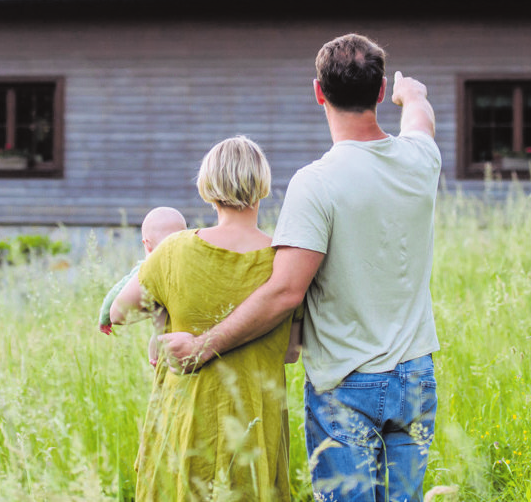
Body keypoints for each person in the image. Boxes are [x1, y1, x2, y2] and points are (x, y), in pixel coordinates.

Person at [161, 33, 442, 502]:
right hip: (416, 374)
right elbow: (421, 122)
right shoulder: (420, 158)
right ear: (378, 93)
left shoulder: (317, 183)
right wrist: (413, 94)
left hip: (346, 382)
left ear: (318, 92)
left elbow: (285, 292)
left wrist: (203, 347)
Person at [110, 136, 301, 502]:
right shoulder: (286, 259)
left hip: (186, 418)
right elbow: (291, 352)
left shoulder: (174, 249)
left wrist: (154, 274)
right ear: (262, 184)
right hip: (255, 421)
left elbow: (119, 313)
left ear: (208, 187)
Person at [98, 206, 186, 365]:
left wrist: (104, 318)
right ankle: (157, 360)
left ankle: (156, 360)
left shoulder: (145, 268)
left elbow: (117, 292)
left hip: (167, 338)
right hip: (189, 335)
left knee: (159, 334)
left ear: (147, 244)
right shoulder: (188, 263)